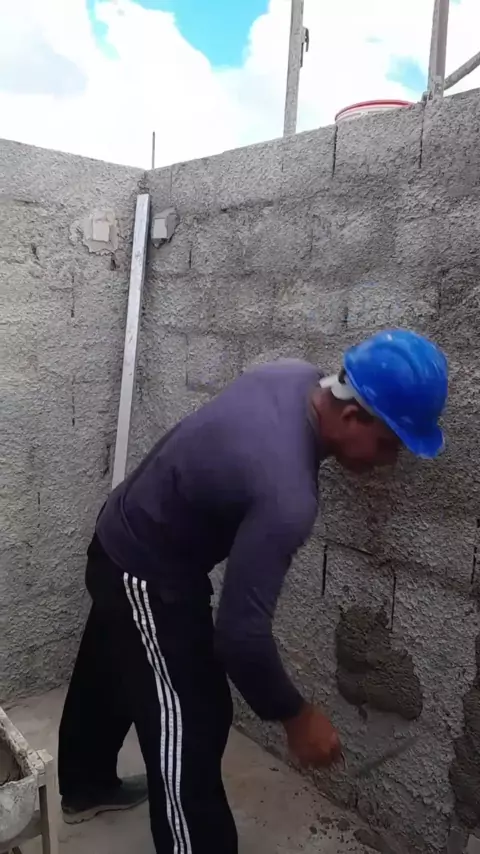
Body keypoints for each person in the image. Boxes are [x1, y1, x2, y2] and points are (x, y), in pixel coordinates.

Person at [58, 328, 448, 854]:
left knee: (113, 658)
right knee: (191, 718)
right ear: (354, 416)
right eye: (388, 444)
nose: (388, 462)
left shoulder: (292, 375)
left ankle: (86, 785)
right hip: (145, 569)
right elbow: (241, 637)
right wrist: (296, 715)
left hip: (121, 527)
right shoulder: (288, 494)